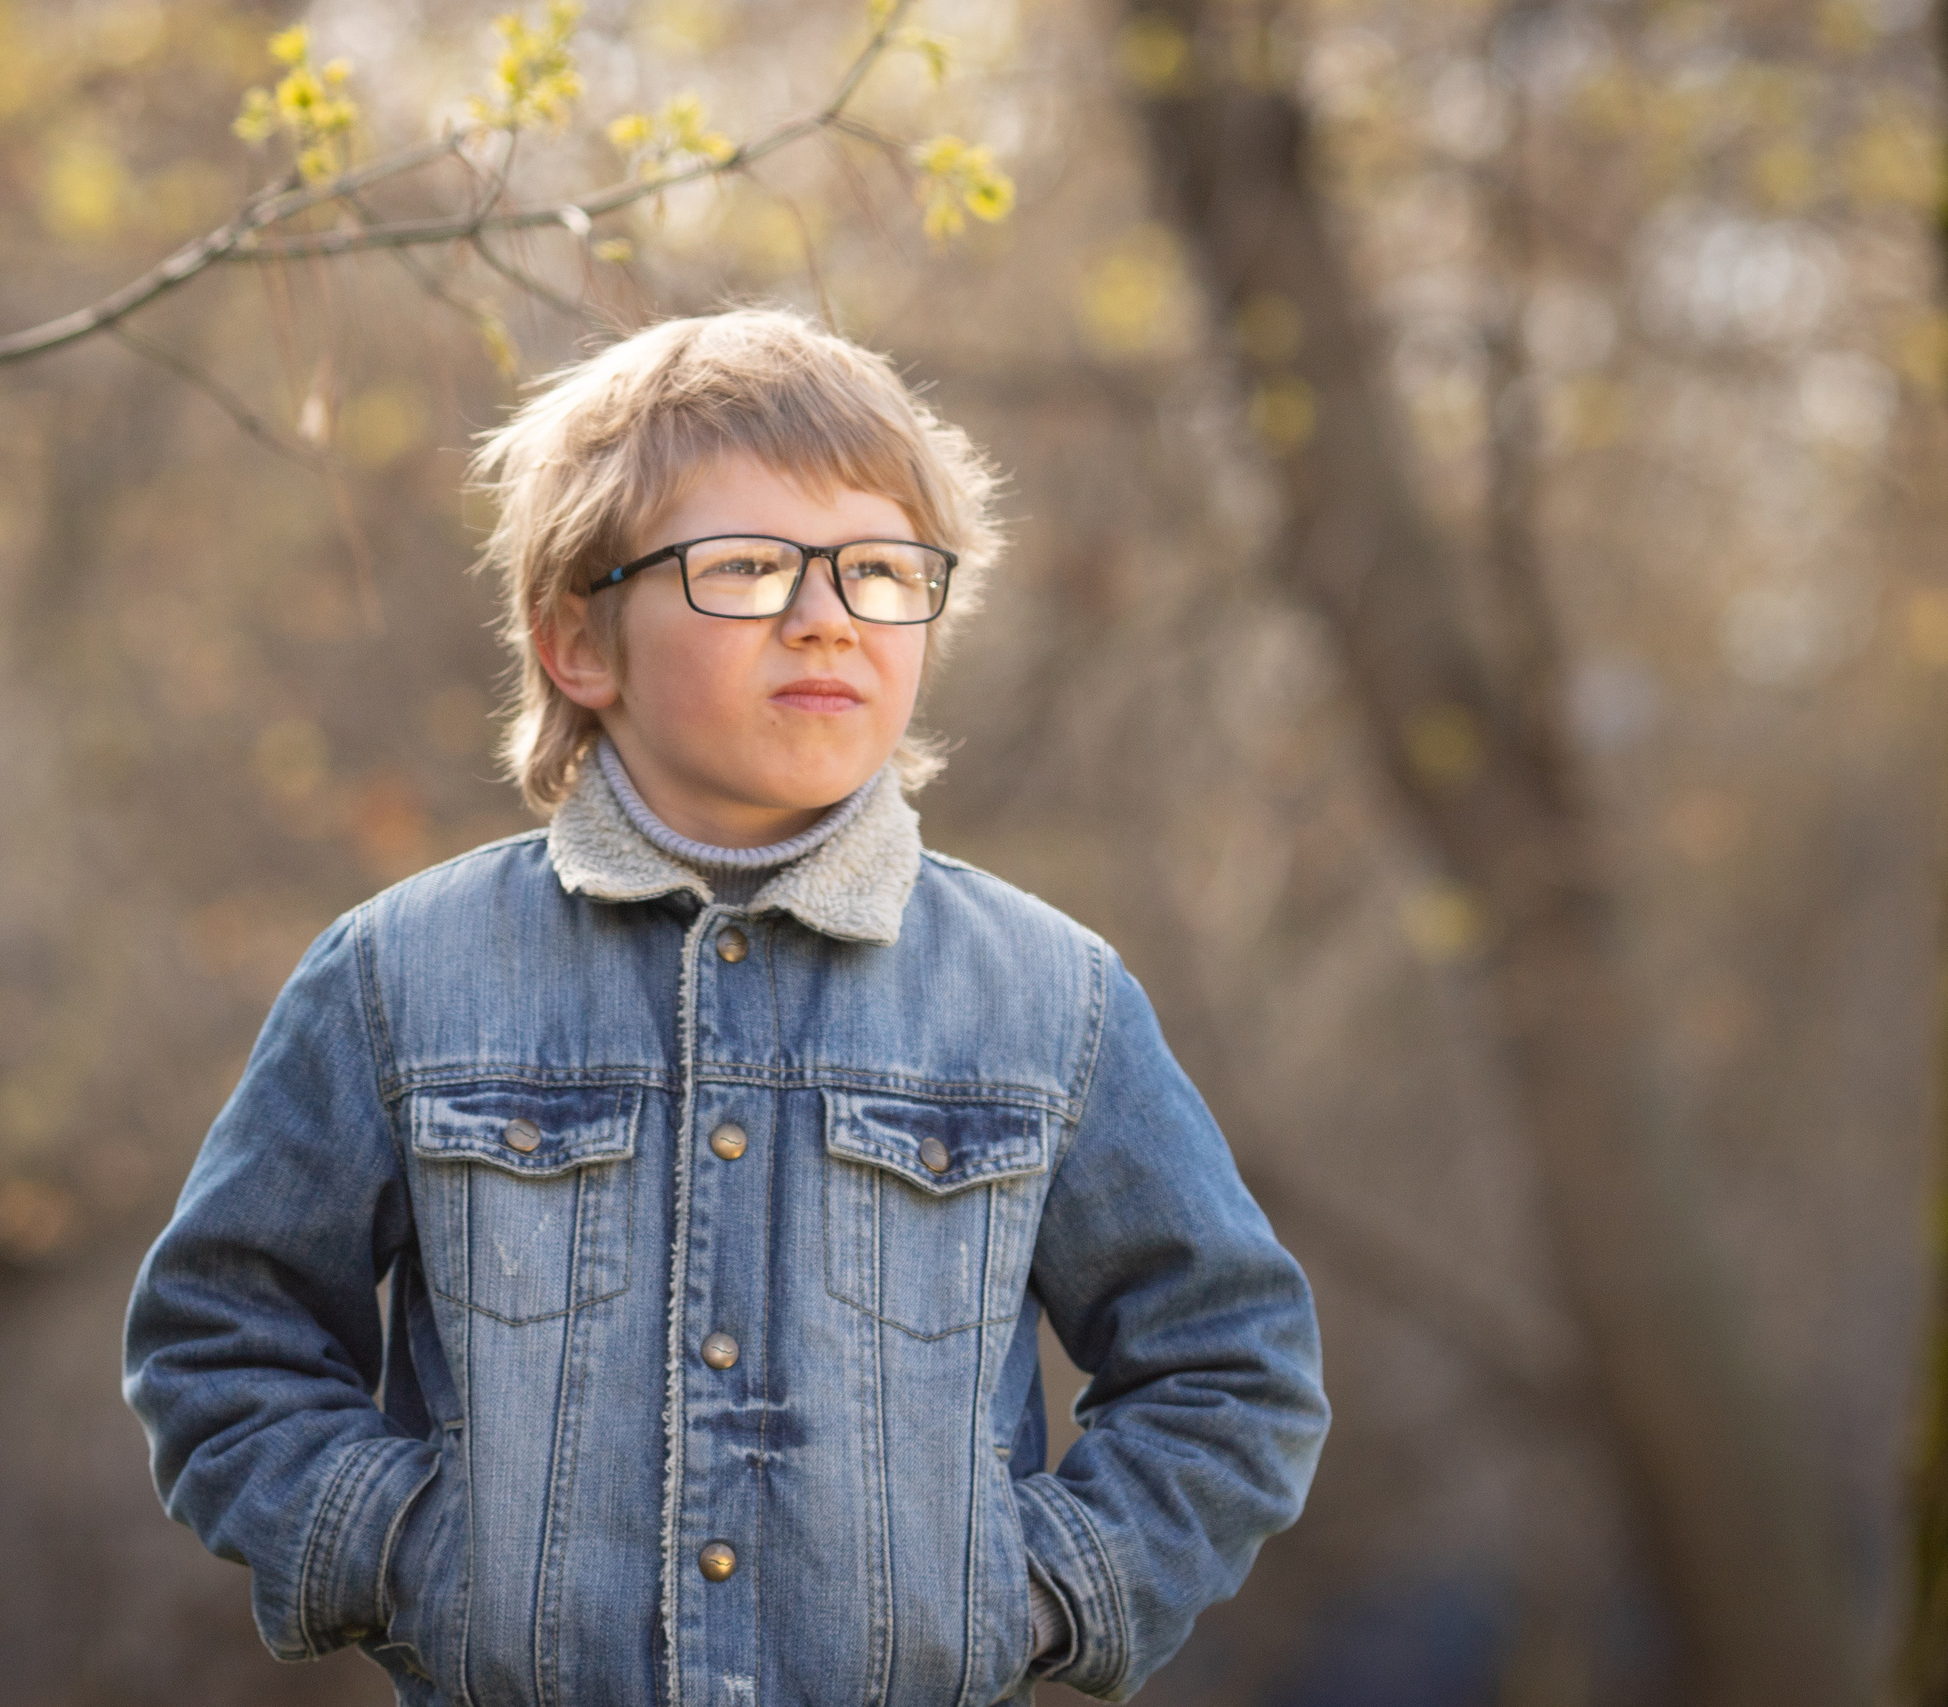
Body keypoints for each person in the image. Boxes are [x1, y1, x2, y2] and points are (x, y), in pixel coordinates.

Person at [122, 308, 1328, 1706]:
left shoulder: (1051, 1000)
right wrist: (414, 1562)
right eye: (748, 568)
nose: (826, 615)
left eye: (881, 571)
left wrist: (1027, 1590)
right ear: (580, 639)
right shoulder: (402, 975)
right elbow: (222, 1337)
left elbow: (1232, 1369)